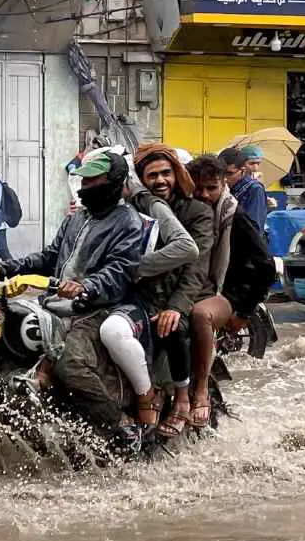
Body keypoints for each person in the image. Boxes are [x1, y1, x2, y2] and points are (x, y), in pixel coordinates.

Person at [0, 150, 145, 443]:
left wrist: (86, 285)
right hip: (52, 304)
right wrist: (3, 268)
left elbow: (120, 270)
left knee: (68, 363)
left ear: (114, 181)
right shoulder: (78, 218)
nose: (86, 187)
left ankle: (120, 425)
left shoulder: (128, 221)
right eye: (83, 181)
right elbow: (50, 257)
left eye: (93, 181)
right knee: (2, 336)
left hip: (95, 307)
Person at [100, 146, 205, 432]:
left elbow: (196, 268)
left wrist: (175, 306)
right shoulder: (131, 210)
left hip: (180, 293)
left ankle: (182, 399)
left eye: (166, 173)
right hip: (137, 294)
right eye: (153, 175)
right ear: (141, 180)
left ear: (176, 174)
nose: (160, 180)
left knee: (172, 327)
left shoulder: (196, 212)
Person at [183, 153, 242, 430]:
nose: (205, 194)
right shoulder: (180, 211)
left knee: (198, 315)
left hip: (222, 293)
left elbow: (263, 268)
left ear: (223, 184)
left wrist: (241, 311)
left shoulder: (234, 215)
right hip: (192, 288)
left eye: (212, 188)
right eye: (199, 188)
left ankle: (201, 390)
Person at [221, 145, 270, 232]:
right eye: (251, 163)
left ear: (242, 170)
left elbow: (254, 229)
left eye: (229, 174)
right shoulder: (223, 187)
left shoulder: (255, 189)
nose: (224, 178)